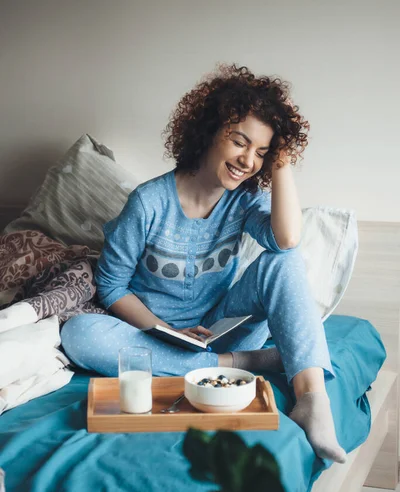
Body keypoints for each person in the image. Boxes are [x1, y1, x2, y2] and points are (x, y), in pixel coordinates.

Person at [61, 63, 346, 463]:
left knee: (284, 261)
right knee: (79, 333)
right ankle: (237, 365)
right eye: (239, 142)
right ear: (210, 130)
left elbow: (287, 239)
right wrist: (167, 331)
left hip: (221, 329)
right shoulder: (148, 203)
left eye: (261, 152)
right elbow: (110, 286)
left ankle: (312, 401)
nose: (248, 160)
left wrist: (280, 159)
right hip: (156, 337)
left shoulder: (244, 200)